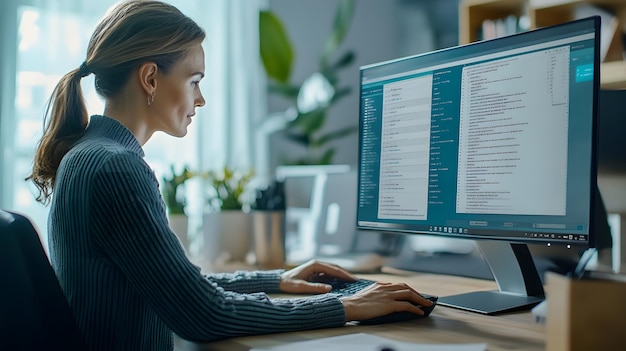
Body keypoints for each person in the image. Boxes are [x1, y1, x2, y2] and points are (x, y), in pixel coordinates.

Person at [27, 1, 432, 350]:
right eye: (194, 80)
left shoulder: (87, 155)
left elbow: (180, 288)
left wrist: (276, 280)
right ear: (150, 78)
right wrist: (346, 306)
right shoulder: (116, 167)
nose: (200, 99)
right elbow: (201, 315)